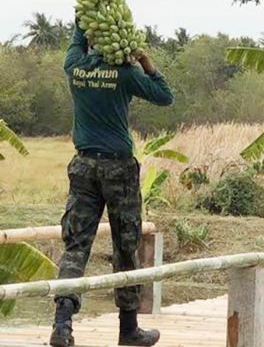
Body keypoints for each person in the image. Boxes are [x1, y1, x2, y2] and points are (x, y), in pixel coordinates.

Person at [51, 22, 173, 347]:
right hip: (118, 167)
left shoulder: (75, 67)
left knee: (76, 246)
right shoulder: (125, 73)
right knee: (126, 246)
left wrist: (82, 20)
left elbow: (77, 40)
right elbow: (165, 96)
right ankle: (128, 328)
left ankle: (62, 325)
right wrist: (145, 59)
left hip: (83, 167)